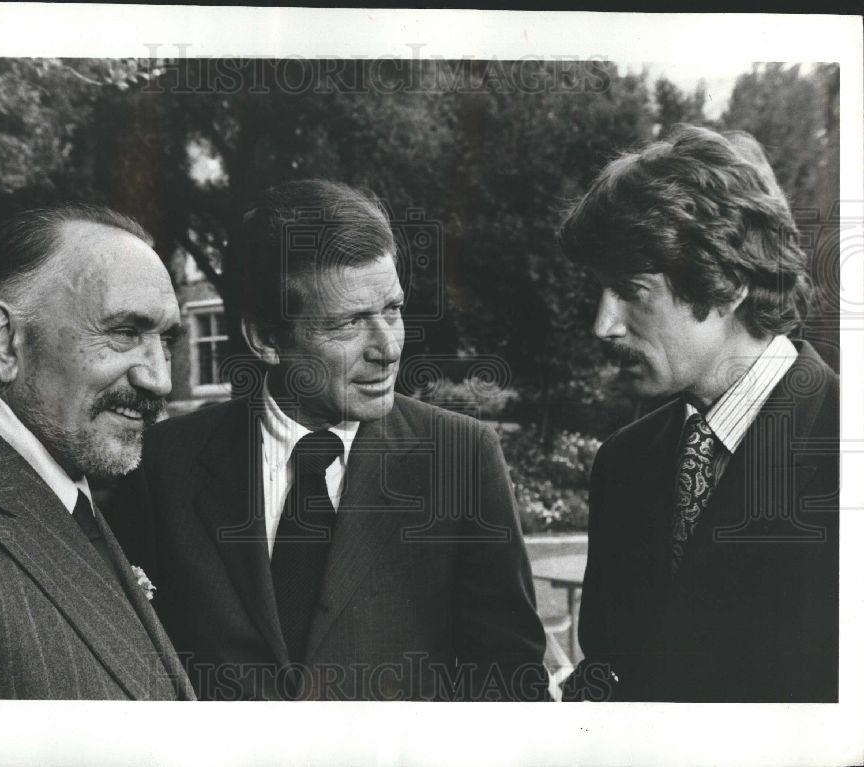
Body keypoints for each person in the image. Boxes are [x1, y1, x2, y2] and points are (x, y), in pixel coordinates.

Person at [108, 180, 547, 701]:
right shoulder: (163, 464)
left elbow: (511, 690)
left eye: (392, 310)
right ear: (266, 339)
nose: (387, 347)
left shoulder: (461, 458)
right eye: (349, 323)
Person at [559, 125, 838, 702]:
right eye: (600, 292)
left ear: (729, 281)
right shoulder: (624, 463)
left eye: (631, 290)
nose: (602, 325)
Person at [0, 204, 196, 700]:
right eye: (124, 332)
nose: (159, 378)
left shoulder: (56, 483)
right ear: (4, 341)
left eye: (166, 340)